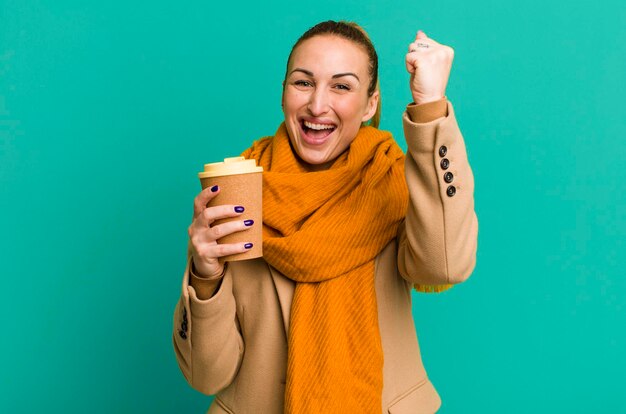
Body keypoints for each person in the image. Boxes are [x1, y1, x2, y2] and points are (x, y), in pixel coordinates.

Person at [173, 20, 478, 414]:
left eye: (342, 86)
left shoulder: (394, 181)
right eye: (303, 82)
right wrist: (205, 275)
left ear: (370, 104)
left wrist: (430, 107)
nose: (317, 105)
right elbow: (205, 376)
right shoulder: (238, 189)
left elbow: (445, 266)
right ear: (282, 94)